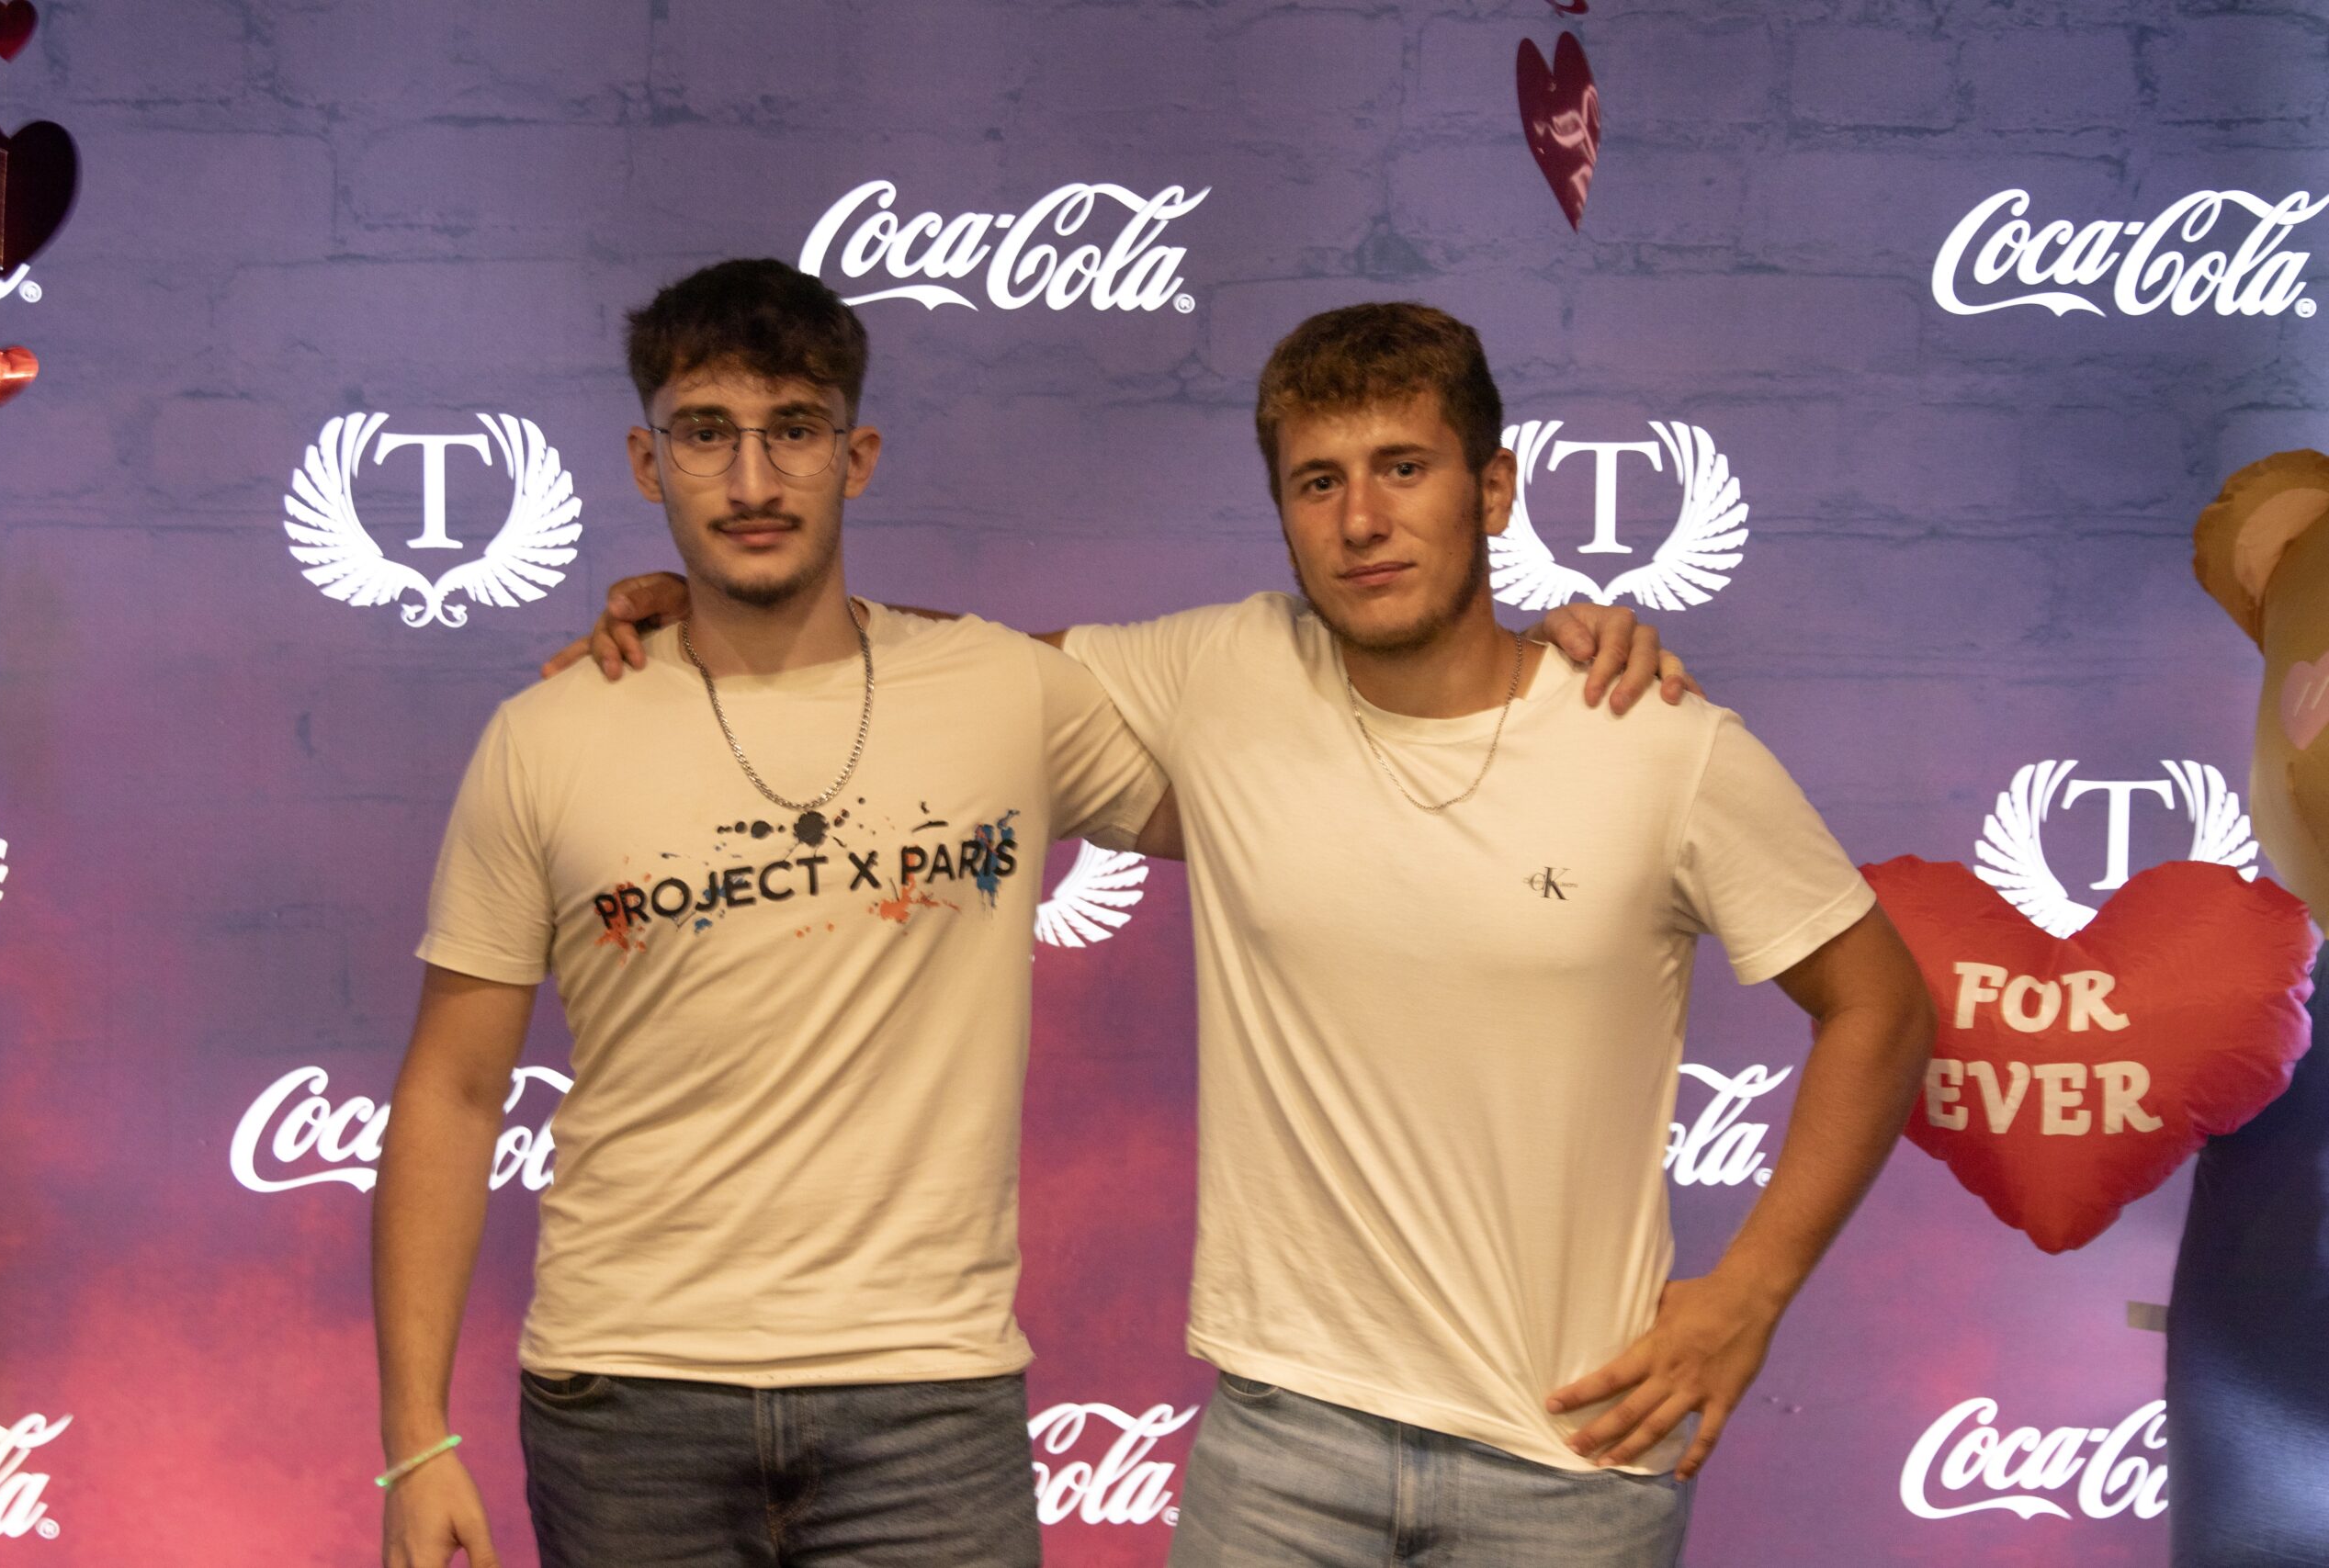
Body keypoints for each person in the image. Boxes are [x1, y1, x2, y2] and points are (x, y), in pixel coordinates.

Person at [564, 301, 1932, 1567]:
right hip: (1281, 1450)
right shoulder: (1225, 670)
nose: (1362, 520)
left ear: (1494, 490)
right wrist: (738, 613)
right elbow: (965, 677)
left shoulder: (1652, 737)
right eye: (1317, 483)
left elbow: (1881, 1003)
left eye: (1404, 468)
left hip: (1568, 1460)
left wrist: (1750, 1293)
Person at [376, 262, 1676, 1568]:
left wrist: (1533, 670)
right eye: (706, 434)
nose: (753, 481)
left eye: (795, 431)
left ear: (856, 457)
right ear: (647, 462)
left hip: (927, 1408)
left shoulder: (1001, 691)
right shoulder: (546, 736)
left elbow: (1334, 758)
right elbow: (453, 1089)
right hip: (623, 1402)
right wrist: (417, 1440)